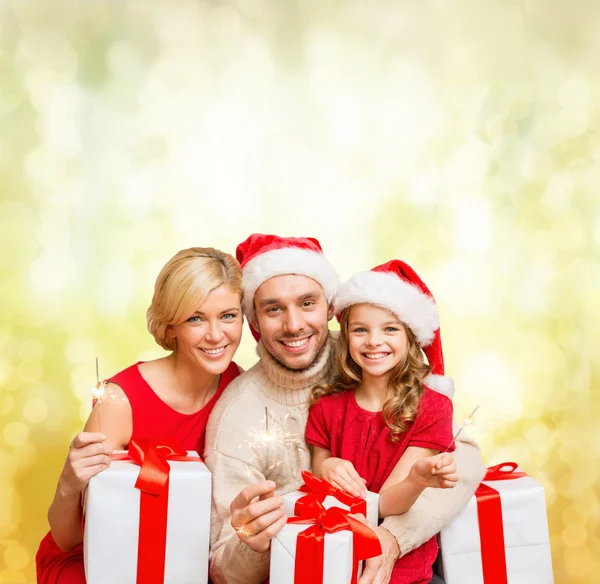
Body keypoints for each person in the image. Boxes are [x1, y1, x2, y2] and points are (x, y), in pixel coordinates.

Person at [204, 234, 486, 584]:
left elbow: (467, 458)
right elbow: (223, 571)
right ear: (255, 322)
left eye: (307, 303)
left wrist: (393, 538)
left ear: (330, 307)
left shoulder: (371, 357)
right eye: (274, 308)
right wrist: (254, 541)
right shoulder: (237, 415)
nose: (294, 325)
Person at [36, 247, 244, 584]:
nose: (216, 335)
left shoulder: (240, 387)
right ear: (170, 325)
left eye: (228, 316)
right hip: (103, 557)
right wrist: (68, 483)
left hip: (182, 557)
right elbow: (67, 539)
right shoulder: (119, 401)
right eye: (196, 318)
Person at [307, 259, 459, 584]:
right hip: (332, 563)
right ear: (345, 336)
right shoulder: (326, 407)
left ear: (411, 337)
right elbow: (316, 476)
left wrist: (416, 481)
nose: (374, 341)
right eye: (360, 329)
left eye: (390, 329)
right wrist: (328, 465)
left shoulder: (432, 408)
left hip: (402, 573)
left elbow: (387, 504)